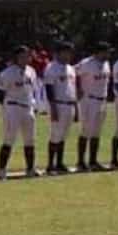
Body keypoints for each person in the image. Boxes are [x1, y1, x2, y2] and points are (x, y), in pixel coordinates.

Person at [0, 45, 39, 180]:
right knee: (9, 139)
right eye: (22, 56)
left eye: (27, 56)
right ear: (16, 57)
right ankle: (2, 171)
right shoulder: (7, 73)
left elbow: (32, 90)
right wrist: (6, 106)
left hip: (28, 107)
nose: (26, 58)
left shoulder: (31, 71)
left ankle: (30, 169)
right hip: (13, 107)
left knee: (30, 139)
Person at [74, 42, 112, 172]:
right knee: (85, 131)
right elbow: (73, 72)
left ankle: (93, 161)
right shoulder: (87, 63)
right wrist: (78, 88)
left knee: (96, 132)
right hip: (89, 100)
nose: (108, 54)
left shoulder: (106, 64)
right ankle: (80, 162)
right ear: (99, 52)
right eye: (106, 52)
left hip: (102, 100)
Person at [42, 41, 77, 174]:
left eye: (70, 52)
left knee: (63, 136)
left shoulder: (71, 68)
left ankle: (59, 163)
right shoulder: (51, 68)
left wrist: (76, 107)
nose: (68, 55)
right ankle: (50, 165)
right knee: (55, 135)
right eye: (66, 52)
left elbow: (72, 89)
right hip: (58, 104)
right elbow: (49, 89)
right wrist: (53, 108)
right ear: (59, 53)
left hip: (70, 104)